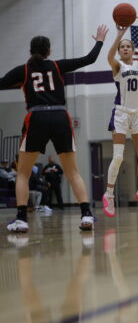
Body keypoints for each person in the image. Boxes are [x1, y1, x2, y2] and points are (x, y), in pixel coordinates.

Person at [0, 24, 109, 233]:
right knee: (72, 171)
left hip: (37, 117)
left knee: (22, 174)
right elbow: (89, 59)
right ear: (49, 51)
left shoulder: (22, 70)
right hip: (60, 116)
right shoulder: (57, 66)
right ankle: (86, 214)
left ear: (30, 51)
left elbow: (2, 82)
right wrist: (100, 41)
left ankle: (21, 219)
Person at [102, 7, 138, 217]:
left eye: (127, 46)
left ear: (133, 50)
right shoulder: (117, 67)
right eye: (122, 47)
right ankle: (109, 194)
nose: (124, 49)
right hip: (121, 113)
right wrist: (119, 35)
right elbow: (108, 55)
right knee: (119, 157)